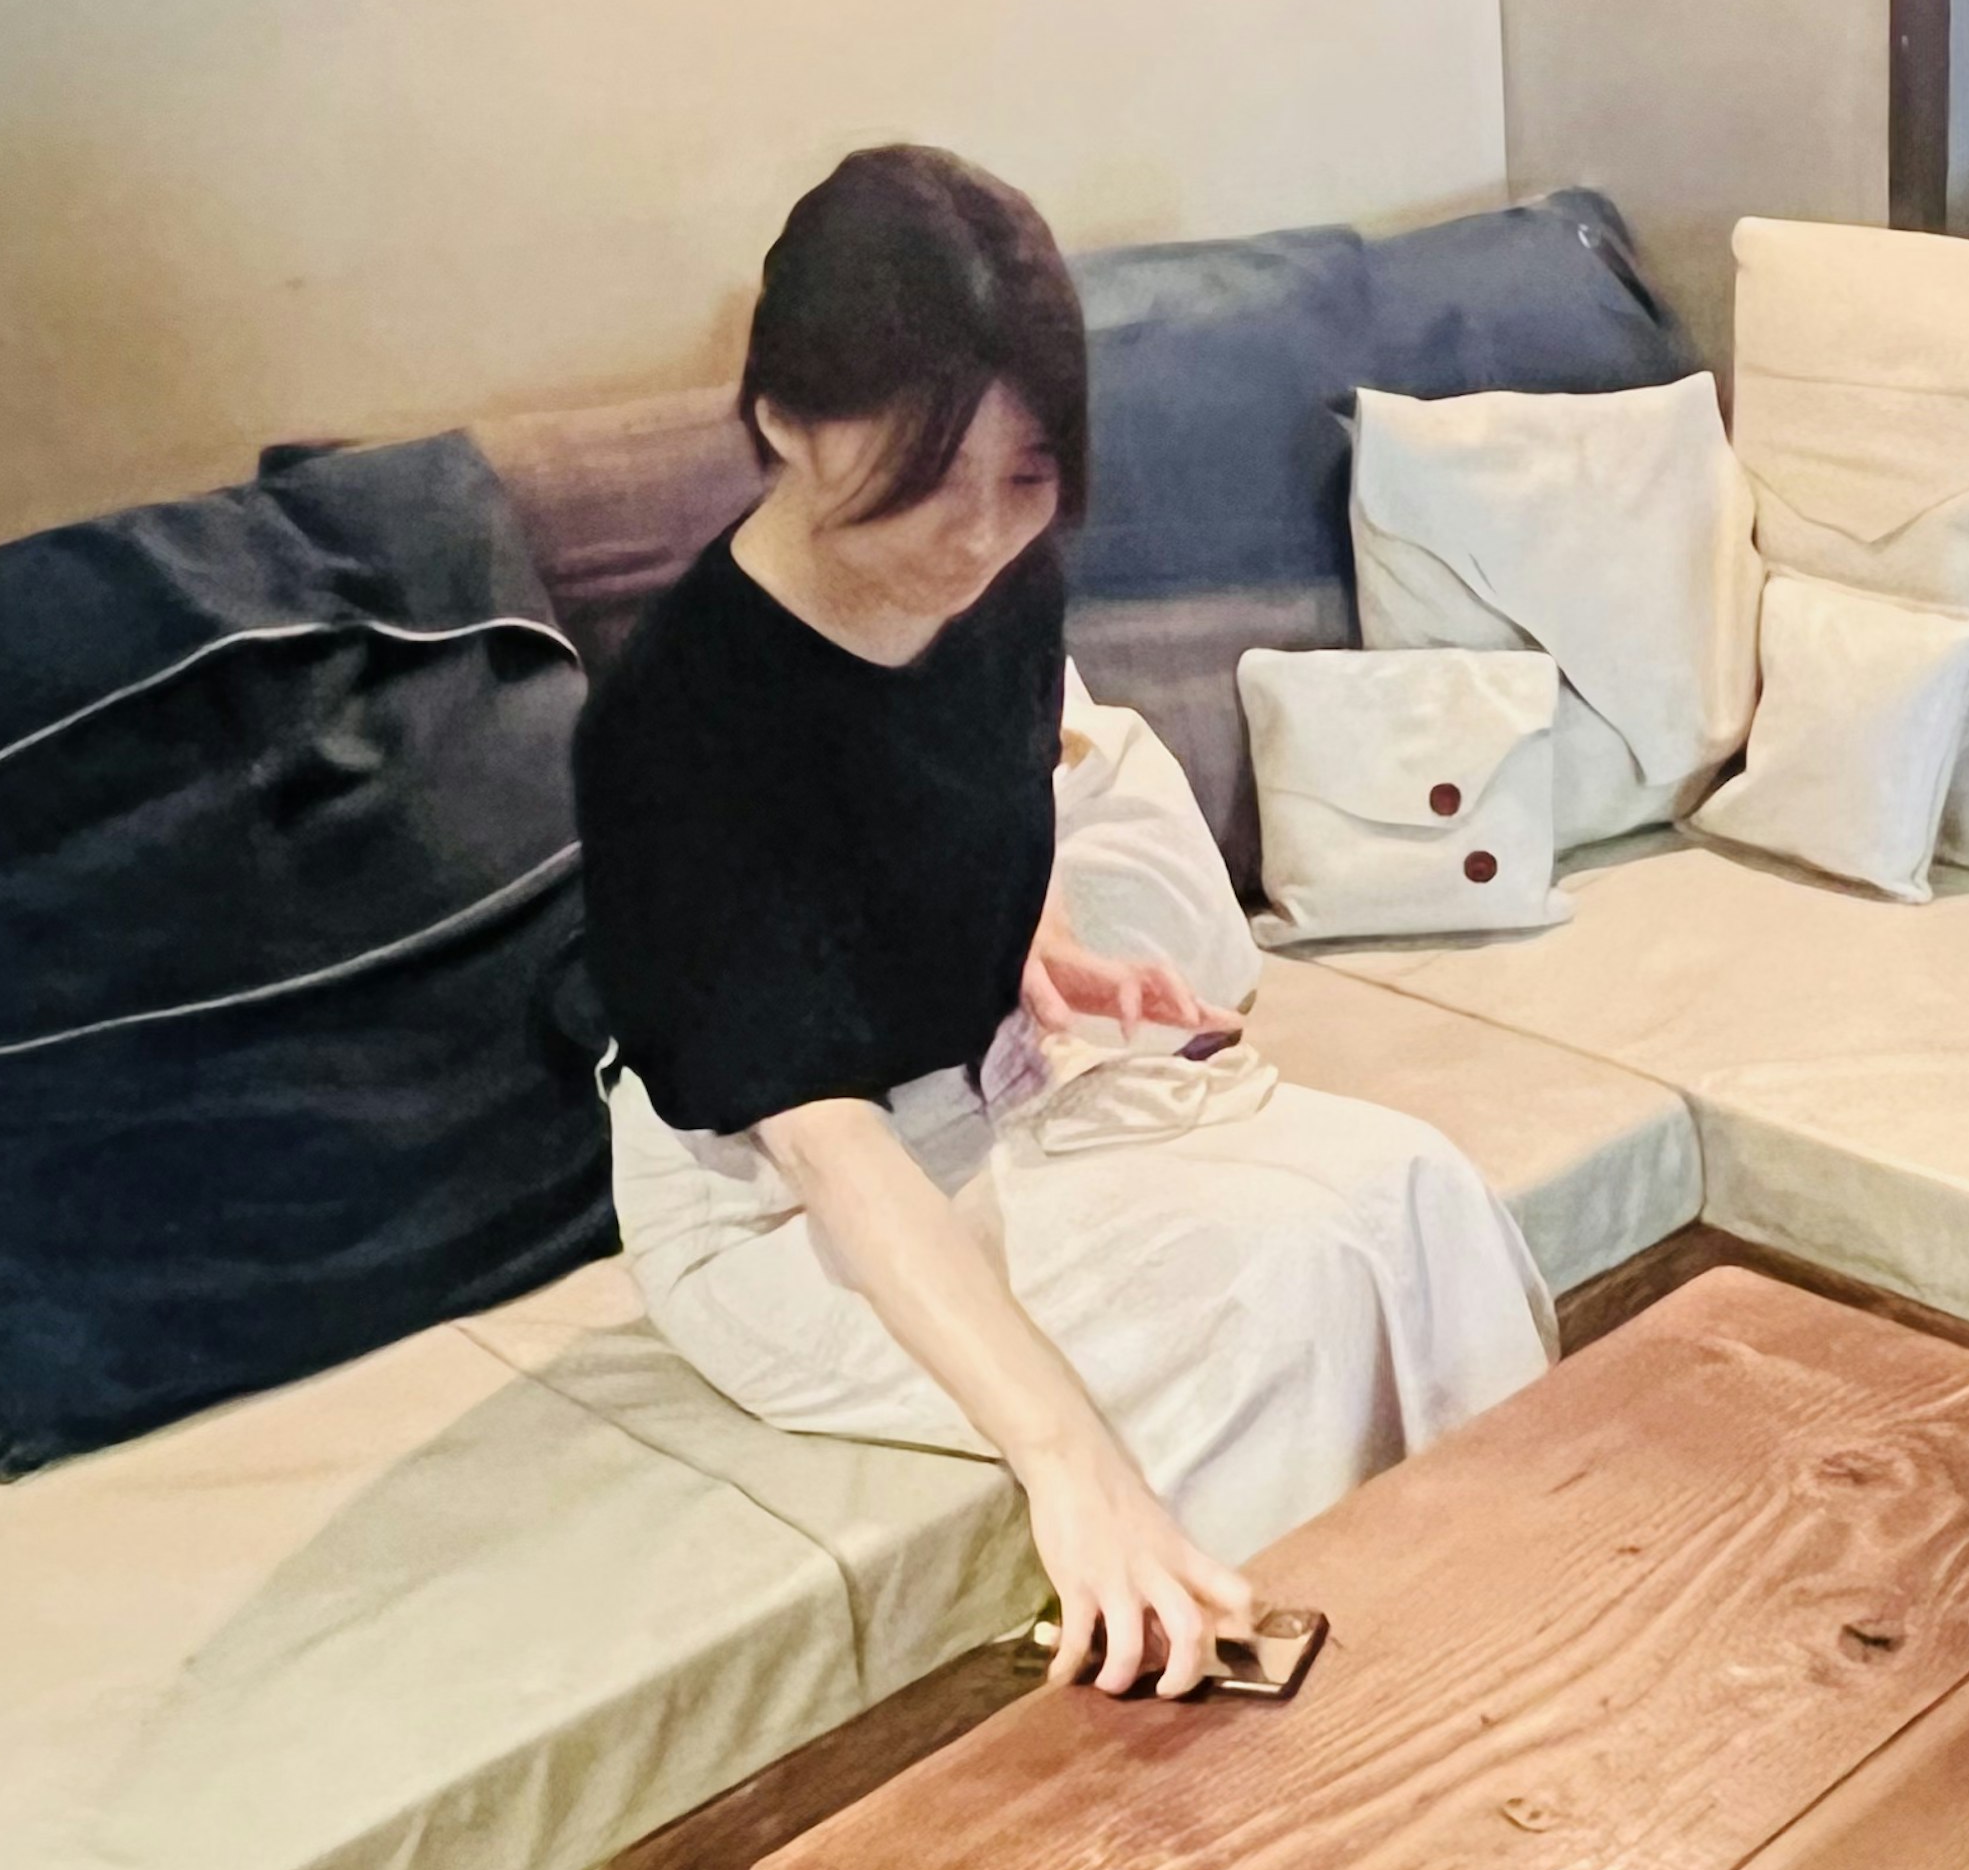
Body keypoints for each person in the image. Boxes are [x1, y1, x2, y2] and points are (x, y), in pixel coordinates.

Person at [573, 143, 1552, 1697]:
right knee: (1275, 1290)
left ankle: (1507, 1661)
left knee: (1418, 1191)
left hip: (983, 1108)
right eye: (922, 484)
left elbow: (974, 795)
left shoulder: (998, 585)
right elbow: (824, 1144)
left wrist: (1028, 945)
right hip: (782, 1215)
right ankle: (1261, 1770)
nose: (976, 535)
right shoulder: (681, 725)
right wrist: (1068, 1465)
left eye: (1023, 480)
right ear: (783, 421)